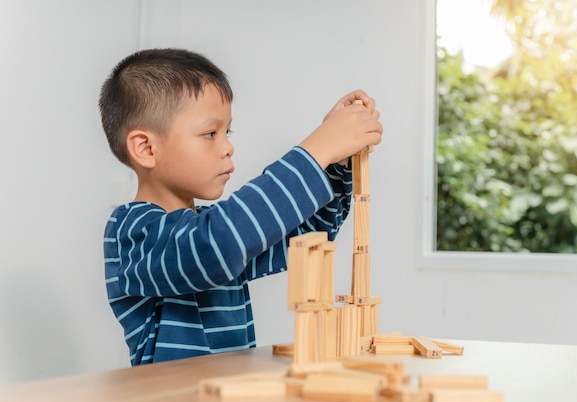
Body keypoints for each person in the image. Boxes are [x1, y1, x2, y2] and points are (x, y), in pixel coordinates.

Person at [99, 48, 382, 365]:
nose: (228, 146)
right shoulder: (133, 233)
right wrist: (318, 149)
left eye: (227, 132)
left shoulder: (217, 230)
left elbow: (307, 234)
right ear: (147, 148)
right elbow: (219, 243)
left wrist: (333, 162)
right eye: (209, 133)